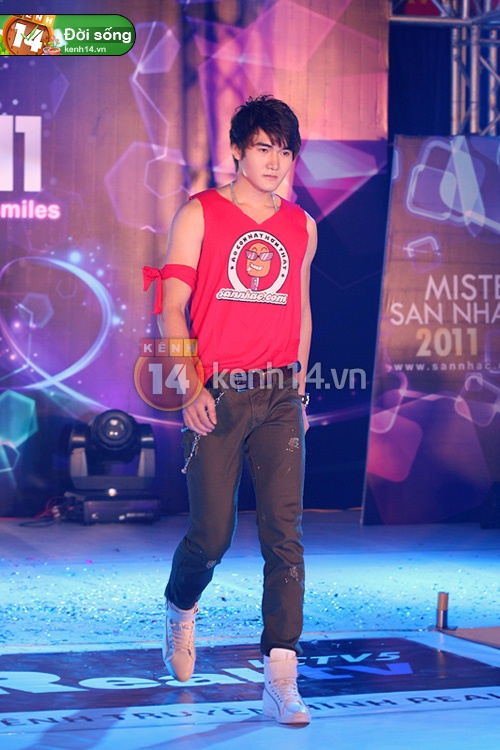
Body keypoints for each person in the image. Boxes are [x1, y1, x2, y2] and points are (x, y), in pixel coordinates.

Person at [148, 94, 317, 725]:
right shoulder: (199, 213)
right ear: (239, 150)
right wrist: (190, 386)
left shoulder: (302, 225)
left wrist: (299, 385)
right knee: (212, 535)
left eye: (285, 151)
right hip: (215, 393)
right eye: (264, 148)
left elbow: (300, 309)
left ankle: (281, 675)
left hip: (279, 396)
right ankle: (179, 607)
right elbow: (171, 308)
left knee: (284, 536)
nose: (275, 162)